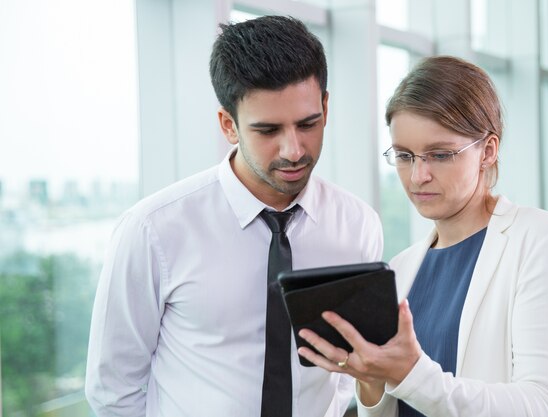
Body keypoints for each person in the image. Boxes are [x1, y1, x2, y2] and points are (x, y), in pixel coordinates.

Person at [84, 15, 383, 417]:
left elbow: (347, 367)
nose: (294, 150)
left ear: (325, 107)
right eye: (268, 130)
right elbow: (112, 389)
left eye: (307, 124)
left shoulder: (357, 225)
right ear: (228, 124)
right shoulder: (153, 230)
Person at [297, 56, 548, 417]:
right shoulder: (402, 268)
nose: (418, 176)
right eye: (405, 155)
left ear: (488, 150)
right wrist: (371, 380)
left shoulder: (537, 238)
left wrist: (411, 374)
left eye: (440, 155)